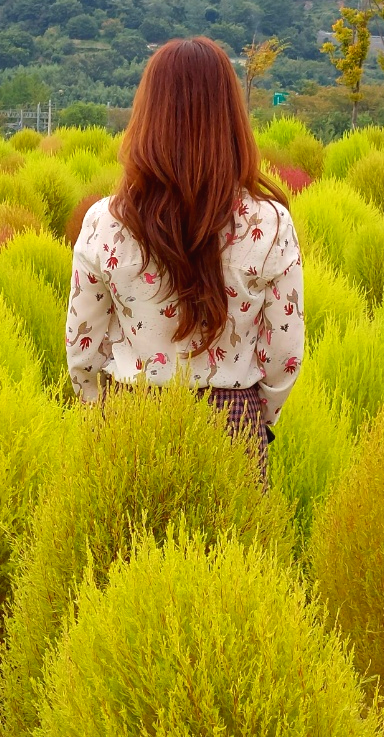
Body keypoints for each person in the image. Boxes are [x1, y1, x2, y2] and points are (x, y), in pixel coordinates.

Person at [66, 37, 303, 474]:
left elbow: (82, 351)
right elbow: (283, 356)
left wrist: (99, 415)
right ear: (230, 116)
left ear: (147, 114)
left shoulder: (106, 220)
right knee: (234, 543)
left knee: (128, 543)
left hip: (130, 425)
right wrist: (257, 421)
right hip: (233, 428)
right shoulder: (270, 223)